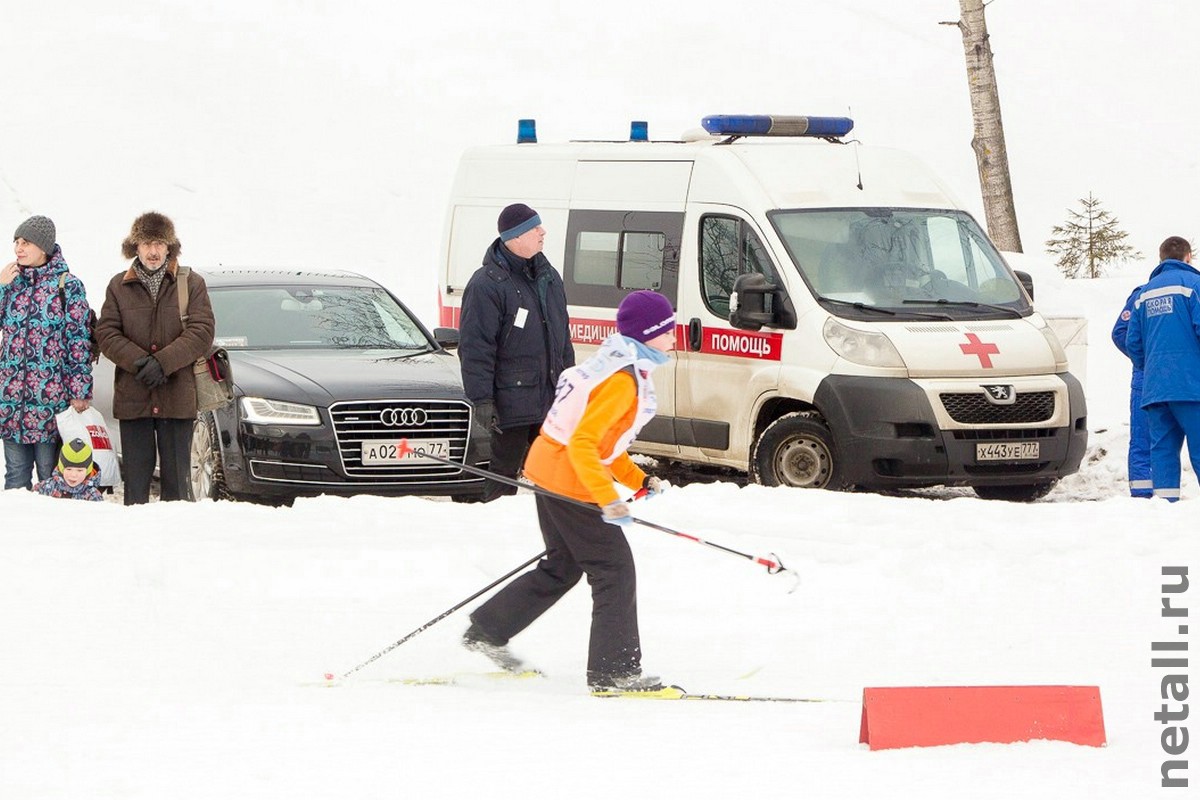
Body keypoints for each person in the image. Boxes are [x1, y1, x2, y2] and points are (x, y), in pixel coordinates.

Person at [462, 290, 675, 692]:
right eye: (666, 330)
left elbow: (603, 446)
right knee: (614, 571)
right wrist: (608, 500)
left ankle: (488, 630)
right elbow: (583, 445)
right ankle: (614, 672)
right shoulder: (622, 381)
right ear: (646, 335)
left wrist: (638, 481)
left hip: (550, 470)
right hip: (569, 480)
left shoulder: (615, 364)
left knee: (563, 565)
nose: (673, 337)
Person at [95, 211, 215, 505]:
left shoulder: (192, 283)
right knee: (136, 484)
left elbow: (202, 331)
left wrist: (162, 363)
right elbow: (107, 333)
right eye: (147, 243)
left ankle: (176, 545)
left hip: (177, 396)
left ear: (169, 246)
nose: (153, 251)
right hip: (134, 397)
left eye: (160, 243)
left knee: (177, 487)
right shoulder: (117, 286)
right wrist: (140, 363)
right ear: (134, 246)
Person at [458, 203, 574, 502]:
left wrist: (572, 386)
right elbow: (476, 348)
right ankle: (497, 534)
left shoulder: (549, 277)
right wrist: (482, 399)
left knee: (555, 480)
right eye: (535, 228)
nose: (542, 232)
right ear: (516, 236)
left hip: (550, 401)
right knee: (503, 480)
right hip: (510, 404)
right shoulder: (486, 284)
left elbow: (563, 339)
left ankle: (553, 537)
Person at [0, 215, 94, 489]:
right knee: (15, 478)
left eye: (26, 242)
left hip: (50, 403)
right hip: (12, 403)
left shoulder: (68, 286)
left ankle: (52, 532)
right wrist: (1, 287)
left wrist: (80, 389)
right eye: (16, 241)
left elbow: (79, 341)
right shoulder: (10, 283)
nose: (18, 248)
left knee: (51, 478)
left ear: (44, 247)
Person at [1125, 236, 1200, 501]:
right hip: (1192, 387)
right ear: (1188, 257)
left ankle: (1166, 510)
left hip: (1155, 389)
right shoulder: (1194, 285)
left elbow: (1131, 340)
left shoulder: (1143, 293)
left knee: (1163, 453)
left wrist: (1152, 367)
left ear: (1161, 259)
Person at [1112, 283, 1153, 497]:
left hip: (1147, 377)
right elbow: (1120, 333)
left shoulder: (1144, 294)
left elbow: (1120, 333)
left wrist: (1143, 361)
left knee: (1146, 440)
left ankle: (1147, 497)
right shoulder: (1193, 287)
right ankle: (1143, 499)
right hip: (1177, 378)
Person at [33, 437, 104, 501]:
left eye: (80, 470)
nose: (73, 475)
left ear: (88, 471)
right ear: (61, 468)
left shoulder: (93, 496)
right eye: (69, 469)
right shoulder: (46, 487)